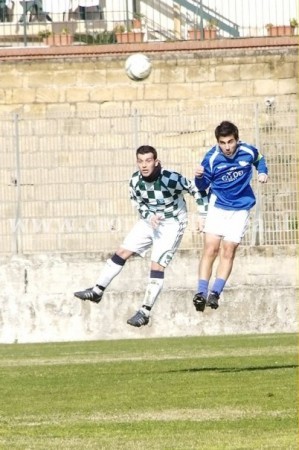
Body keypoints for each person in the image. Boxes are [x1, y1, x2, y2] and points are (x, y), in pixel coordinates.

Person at [74, 145, 208, 327]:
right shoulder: (135, 180)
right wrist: (149, 216)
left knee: (156, 265)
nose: (144, 165)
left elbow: (196, 190)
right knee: (122, 252)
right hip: (149, 221)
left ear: (156, 162)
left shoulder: (171, 178)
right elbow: (137, 203)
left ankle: (144, 312)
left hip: (172, 224)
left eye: (148, 160)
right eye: (140, 161)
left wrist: (202, 216)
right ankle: (97, 290)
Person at [192, 120, 268, 312]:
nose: (227, 147)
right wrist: (199, 177)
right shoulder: (211, 158)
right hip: (218, 206)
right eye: (223, 142)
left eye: (230, 141)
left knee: (228, 250)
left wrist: (262, 172)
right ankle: (201, 292)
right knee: (211, 249)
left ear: (237, 139)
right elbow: (202, 188)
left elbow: (260, 159)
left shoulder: (248, 151)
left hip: (241, 208)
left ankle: (215, 293)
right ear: (218, 142)